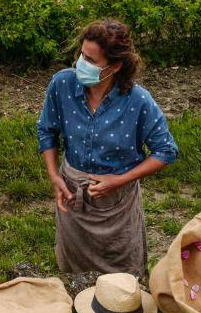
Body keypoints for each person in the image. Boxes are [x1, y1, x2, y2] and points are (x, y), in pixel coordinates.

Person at [36, 19, 178, 278]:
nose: (81, 64)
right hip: (72, 192)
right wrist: (55, 176)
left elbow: (166, 151)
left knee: (121, 275)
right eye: (81, 54)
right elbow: (47, 130)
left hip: (116, 200)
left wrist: (119, 180)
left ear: (114, 66)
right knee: (74, 271)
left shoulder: (137, 101)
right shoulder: (62, 85)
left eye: (91, 60)